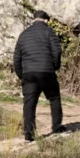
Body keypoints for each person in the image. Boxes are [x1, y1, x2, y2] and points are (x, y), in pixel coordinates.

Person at [13, 10, 66, 142]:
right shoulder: (49, 32)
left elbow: (16, 58)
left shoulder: (23, 35)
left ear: (34, 19)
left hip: (28, 73)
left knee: (29, 104)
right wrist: (55, 67)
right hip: (46, 71)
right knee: (54, 98)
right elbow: (57, 51)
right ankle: (56, 127)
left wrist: (22, 75)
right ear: (46, 20)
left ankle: (29, 135)